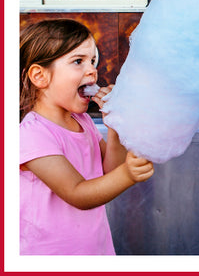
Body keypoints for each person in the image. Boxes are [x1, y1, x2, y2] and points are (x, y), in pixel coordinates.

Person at [20, 19, 154, 255]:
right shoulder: (32, 135)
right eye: (78, 61)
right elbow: (78, 193)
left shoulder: (83, 122)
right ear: (40, 76)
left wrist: (114, 127)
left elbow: (107, 174)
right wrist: (128, 174)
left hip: (94, 249)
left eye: (93, 60)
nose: (92, 70)